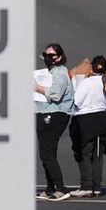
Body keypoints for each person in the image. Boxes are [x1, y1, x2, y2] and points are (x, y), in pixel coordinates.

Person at [68, 55, 106, 197]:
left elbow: (77, 101)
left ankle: (86, 185)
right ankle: (96, 186)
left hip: (86, 121)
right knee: (98, 155)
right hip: (104, 120)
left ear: (92, 68)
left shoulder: (86, 83)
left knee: (84, 154)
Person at [34, 43, 73, 201]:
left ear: (60, 57)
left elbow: (56, 95)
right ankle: (50, 188)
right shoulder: (48, 72)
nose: (48, 58)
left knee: (47, 153)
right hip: (42, 112)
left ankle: (61, 188)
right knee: (45, 153)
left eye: (52, 56)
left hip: (55, 114)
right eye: (46, 55)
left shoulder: (60, 72)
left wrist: (37, 88)